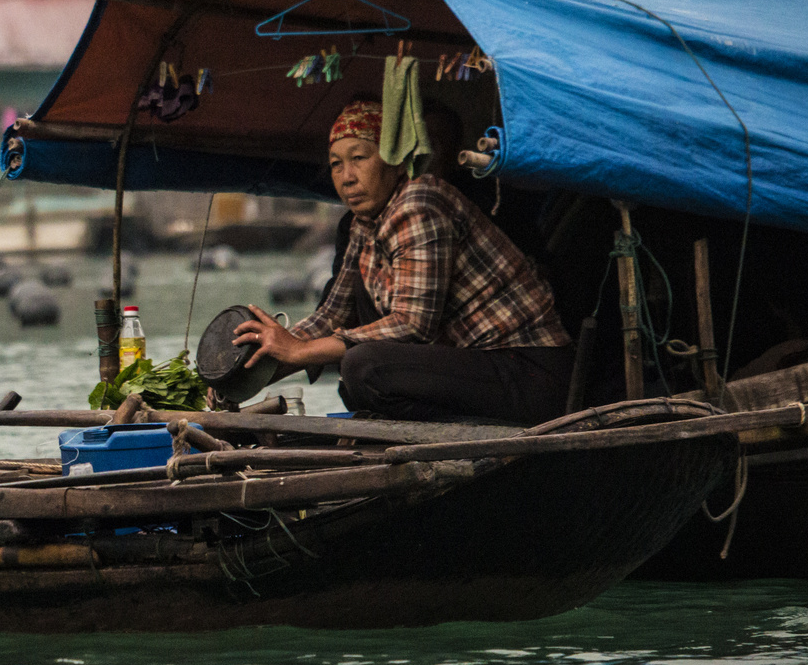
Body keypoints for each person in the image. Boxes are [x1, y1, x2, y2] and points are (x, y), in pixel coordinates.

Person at [234, 100, 574, 426]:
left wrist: (300, 352)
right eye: (336, 163)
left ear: (395, 162)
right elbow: (332, 314)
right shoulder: (362, 224)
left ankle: (457, 436)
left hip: (527, 371)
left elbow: (413, 325)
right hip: (482, 370)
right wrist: (253, 369)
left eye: (359, 158)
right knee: (358, 347)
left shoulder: (420, 202)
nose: (346, 176)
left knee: (364, 366)